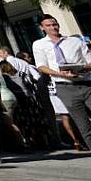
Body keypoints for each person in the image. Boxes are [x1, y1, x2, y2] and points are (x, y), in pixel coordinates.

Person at [32, 14, 91, 151]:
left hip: (85, 83)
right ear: (42, 28)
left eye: (55, 24)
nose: (53, 27)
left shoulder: (74, 41)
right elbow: (41, 66)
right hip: (64, 86)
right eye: (49, 25)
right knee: (83, 124)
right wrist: (60, 73)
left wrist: (81, 68)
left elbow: (89, 60)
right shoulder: (39, 44)